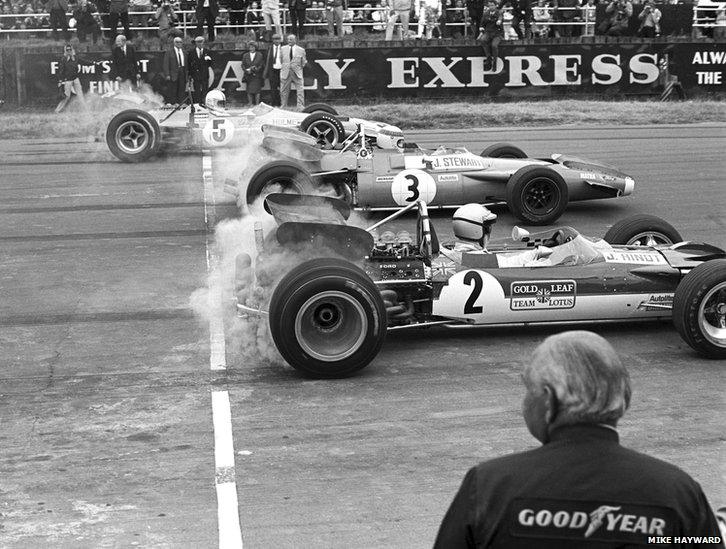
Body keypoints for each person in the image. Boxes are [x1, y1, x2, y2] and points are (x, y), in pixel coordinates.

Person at [434, 331, 723, 548]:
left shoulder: (489, 486)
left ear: (548, 401)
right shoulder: (679, 493)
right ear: (622, 398)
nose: (524, 403)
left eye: (528, 391)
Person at [279, 33, 306, 108]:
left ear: (295, 40)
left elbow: (303, 62)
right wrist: (286, 66)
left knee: (300, 90)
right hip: (286, 72)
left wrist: (297, 68)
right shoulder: (282, 49)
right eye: (288, 39)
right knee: (283, 90)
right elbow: (281, 60)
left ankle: (300, 106)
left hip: (297, 72)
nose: (289, 41)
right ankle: (283, 105)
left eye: (291, 39)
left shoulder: (301, 50)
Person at [55, 44, 84, 113]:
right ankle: (57, 110)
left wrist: (94, 63)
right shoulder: (64, 59)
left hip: (76, 79)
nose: (69, 51)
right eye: (67, 50)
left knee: (80, 95)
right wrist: (60, 81)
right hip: (68, 80)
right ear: (65, 51)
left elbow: (84, 61)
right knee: (66, 97)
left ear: (72, 50)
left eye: (70, 49)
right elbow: (61, 71)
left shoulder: (75, 58)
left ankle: (84, 109)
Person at [162, 36, 188, 104]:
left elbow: (186, 64)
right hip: (173, 74)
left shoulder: (184, 52)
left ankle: (181, 104)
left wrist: (187, 75)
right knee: (173, 90)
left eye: (180, 42)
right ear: (174, 43)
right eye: (177, 42)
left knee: (182, 89)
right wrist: (167, 74)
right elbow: (166, 64)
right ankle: (173, 104)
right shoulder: (169, 52)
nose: (179, 43)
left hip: (182, 72)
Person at [478, 0, 502, 71]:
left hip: (497, 34)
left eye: (492, 5)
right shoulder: (486, 13)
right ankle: (488, 58)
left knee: (494, 45)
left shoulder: (499, 13)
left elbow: (500, 18)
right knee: (482, 40)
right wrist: (481, 28)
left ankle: (495, 62)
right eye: (489, 5)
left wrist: (499, 21)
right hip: (488, 32)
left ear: (495, 5)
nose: (491, 7)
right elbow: (482, 23)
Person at [188, 35, 213, 103]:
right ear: (196, 43)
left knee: (205, 90)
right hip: (196, 74)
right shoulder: (191, 52)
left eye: (201, 42)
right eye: (198, 42)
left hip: (204, 74)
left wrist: (207, 61)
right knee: (197, 91)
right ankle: (197, 104)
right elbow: (189, 64)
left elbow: (210, 63)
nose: (200, 43)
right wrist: (190, 74)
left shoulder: (207, 51)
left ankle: (204, 103)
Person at [263, 32, 283, 105]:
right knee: (273, 88)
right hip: (273, 70)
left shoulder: (284, 48)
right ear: (272, 40)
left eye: (278, 39)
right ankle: (274, 103)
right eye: (275, 39)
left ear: (280, 40)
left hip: (281, 70)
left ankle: (282, 103)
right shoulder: (269, 48)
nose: (277, 41)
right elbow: (266, 60)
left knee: (282, 87)